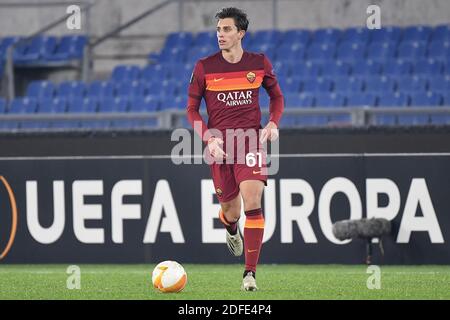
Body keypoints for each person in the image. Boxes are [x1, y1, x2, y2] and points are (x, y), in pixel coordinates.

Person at [186, 7, 284, 291]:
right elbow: (191, 110)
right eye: (218, 29)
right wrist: (208, 139)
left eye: (227, 29)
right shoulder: (204, 67)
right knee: (231, 210)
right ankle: (231, 228)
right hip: (219, 146)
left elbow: (277, 97)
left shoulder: (259, 62)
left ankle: (249, 273)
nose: (221, 34)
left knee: (253, 201)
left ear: (241, 33)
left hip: (250, 141)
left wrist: (273, 123)